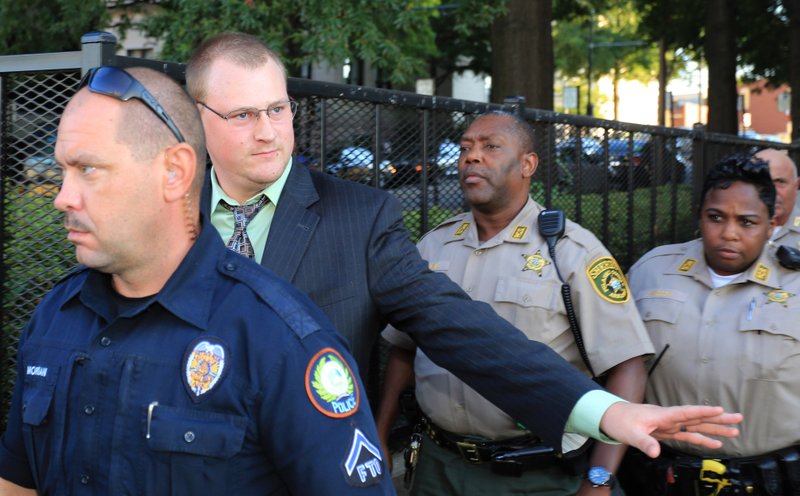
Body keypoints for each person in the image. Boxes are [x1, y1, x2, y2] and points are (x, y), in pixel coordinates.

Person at [184, 31, 743, 460]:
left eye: (278, 109)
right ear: (197, 118)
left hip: (303, 492)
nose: (268, 131)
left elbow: (455, 325)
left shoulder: (358, 217)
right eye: (243, 115)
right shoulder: (166, 215)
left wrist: (599, 410)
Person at [0, 66, 406, 496]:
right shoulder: (54, 319)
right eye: (63, 171)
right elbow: (19, 489)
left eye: (88, 169)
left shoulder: (276, 339)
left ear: (174, 172)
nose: (63, 196)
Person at [376, 111, 653, 496]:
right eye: (465, 148)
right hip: (439, 473)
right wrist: (383, 439)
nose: (472, 158)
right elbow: (403, 350)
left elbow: (627, 366)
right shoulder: (432, 248)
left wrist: (598, 484)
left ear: (528, 164)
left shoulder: (571, 253)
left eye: (490, 147)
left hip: (532, 483)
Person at [628, 154, 800, 496]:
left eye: (747, 222)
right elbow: (619, 367)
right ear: (700, 215)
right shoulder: (653, 272)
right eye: (715, 217)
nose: (729, 234)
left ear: (773, 223)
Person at [753, 148, 800, 248]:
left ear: (796, 186)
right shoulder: (730, 230)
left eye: (780, 182)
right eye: (761, 183)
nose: (772, 191)